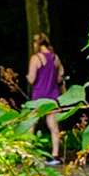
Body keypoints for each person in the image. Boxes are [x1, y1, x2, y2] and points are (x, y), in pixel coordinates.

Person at [26, 34, 64, 165]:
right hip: (53, 96)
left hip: (38, 96)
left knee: (31, 124)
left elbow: (32, 78)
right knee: (54, 127)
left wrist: (28, 78)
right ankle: (55, 155)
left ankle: (28, 153)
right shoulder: (55, 58)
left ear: (37, 44)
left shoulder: (36, 58)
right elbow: (60, 77)